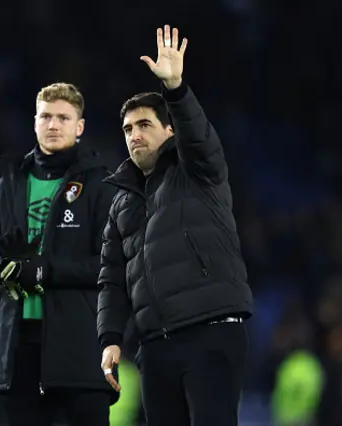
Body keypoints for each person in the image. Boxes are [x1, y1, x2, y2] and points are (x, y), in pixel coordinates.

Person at [97, 25, 253, 426]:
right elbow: (112, 278)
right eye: (128, 129)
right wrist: (111, 338)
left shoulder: (197, 170)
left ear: (169, 130)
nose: (134, 135)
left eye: (145, 124)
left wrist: (176, 89)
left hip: (211, 331)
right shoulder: (121, 203)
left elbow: (198, 137)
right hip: (155, 346)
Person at [0, 82, 117, 426]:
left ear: (79, 127)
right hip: (19, 349)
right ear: (34, 122)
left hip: (79, 349)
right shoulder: (6, 185)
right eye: (46, 116)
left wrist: (44, 270)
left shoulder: (102, 185)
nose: (53, 125)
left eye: (63, 118)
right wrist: (5, 268)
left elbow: (109, 265)